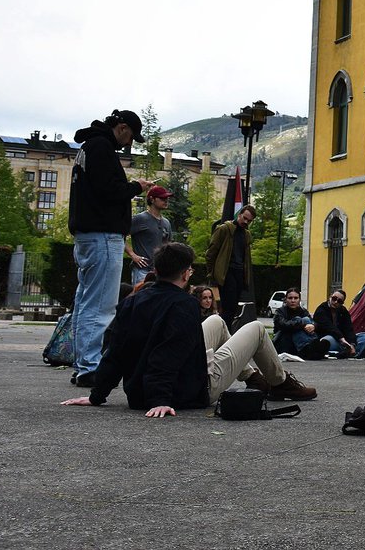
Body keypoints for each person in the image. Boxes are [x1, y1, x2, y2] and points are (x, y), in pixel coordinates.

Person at [60, 242, 315, 417]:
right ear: (185, 274)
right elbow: (167, 353)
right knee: (258, 329)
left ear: (156, 271)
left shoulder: (132, 301)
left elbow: (115, 351)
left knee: (216, 322)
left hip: (141, 391)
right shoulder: (184, 305)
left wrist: (97, 395)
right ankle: (280, 382)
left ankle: (251, 377)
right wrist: (161, 399)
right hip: (189, 392)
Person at [68, 108, 153, 387]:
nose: (128, 143)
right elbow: (109, 191)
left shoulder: (88, 147)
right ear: (123, 127)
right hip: (103, 235)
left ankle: (82, 363)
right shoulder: (102, 148)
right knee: (100, 305)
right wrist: (136, 187)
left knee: (84, 303)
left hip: (87, 235)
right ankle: (90, 368)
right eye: (131, 136)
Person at [206, 204, 256, 325]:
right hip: (226, 271)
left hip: (239, 272)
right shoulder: (224, 229)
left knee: (232, 308)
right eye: (244, 218)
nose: (246, 222)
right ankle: (224, 333)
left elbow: (246, 258)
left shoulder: (246, 234)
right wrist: (211, 272)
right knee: (228, 307)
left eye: (249, 221)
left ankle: (226, 332)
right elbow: (211, 252)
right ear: (239, 215)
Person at [126, 185, 172, 285]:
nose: (166, 200)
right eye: (162, 198)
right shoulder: (140, 219)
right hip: (142, 271)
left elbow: (168, 247)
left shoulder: (167, 223)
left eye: (167, 198)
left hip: (160, 272)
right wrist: (132, 255)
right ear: (152, 199)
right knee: (140, 298)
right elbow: (120, 236)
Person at [273, 289, 330, 360]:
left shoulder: (303, 311)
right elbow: (283, 325)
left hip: (300, 341)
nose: (293, 301)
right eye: (290, 298)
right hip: (284, 341)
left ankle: (315, 348)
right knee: (300, 320)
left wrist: (313, 326)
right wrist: (302, 325)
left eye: (296, 298)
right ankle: (309, 348)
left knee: (306, 320)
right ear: (285, 299)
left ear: (299, 300)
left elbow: (313, 322)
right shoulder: (280, 311)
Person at [313, 288, 357, 358]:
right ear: (330, 297)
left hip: (343, 341)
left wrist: (352, 344)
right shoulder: (321, 309)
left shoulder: (343, 311)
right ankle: (343, 352)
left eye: (339, 301)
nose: (336, 302)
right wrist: (342, 339)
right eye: (334, 298)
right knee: (327, 340)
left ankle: (348, 350)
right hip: (329, 338)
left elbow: (349, 328)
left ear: (342, 303)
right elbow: (329, 327)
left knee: (363, 337)